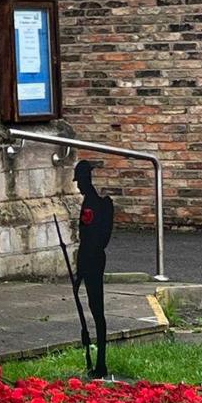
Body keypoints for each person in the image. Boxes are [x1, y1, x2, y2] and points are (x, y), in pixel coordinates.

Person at [75, 161, 116, 378]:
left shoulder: (93, 204)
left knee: (96, 309)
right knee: (92, 308)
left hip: (92, 259)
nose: (79, 186)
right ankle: (97, 360)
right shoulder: (89, 202)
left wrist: (81, 269)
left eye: (80, 181)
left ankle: (100, 362)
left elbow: (90, 240)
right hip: (89, 259)